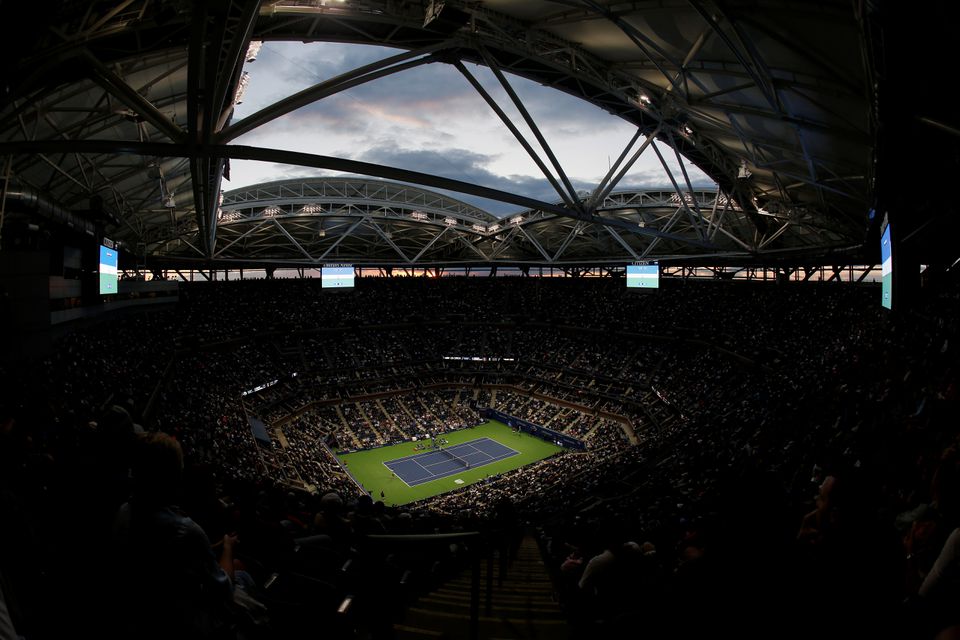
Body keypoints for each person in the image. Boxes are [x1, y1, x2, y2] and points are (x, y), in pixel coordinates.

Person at [111, 432, 240, 639]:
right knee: (244, 576)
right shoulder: (186, 531)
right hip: (188, 627)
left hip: (142, 617)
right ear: (174, 477)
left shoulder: (123, 511)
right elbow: (223, 588)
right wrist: (227, 546)